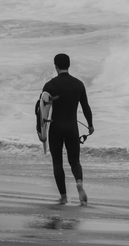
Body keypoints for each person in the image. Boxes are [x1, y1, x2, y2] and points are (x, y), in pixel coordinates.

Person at [42, 53, 94, 205]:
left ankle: (64, 197)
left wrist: (41, 131)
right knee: (74, 161)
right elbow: (85, 106)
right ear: (69, 65)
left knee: (57, 162)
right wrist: (90, 125)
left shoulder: (50, 85)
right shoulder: (78, 84)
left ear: (55, 66)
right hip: (72, 127)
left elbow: (41, 110)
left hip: (56, 128)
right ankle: (79, 182)